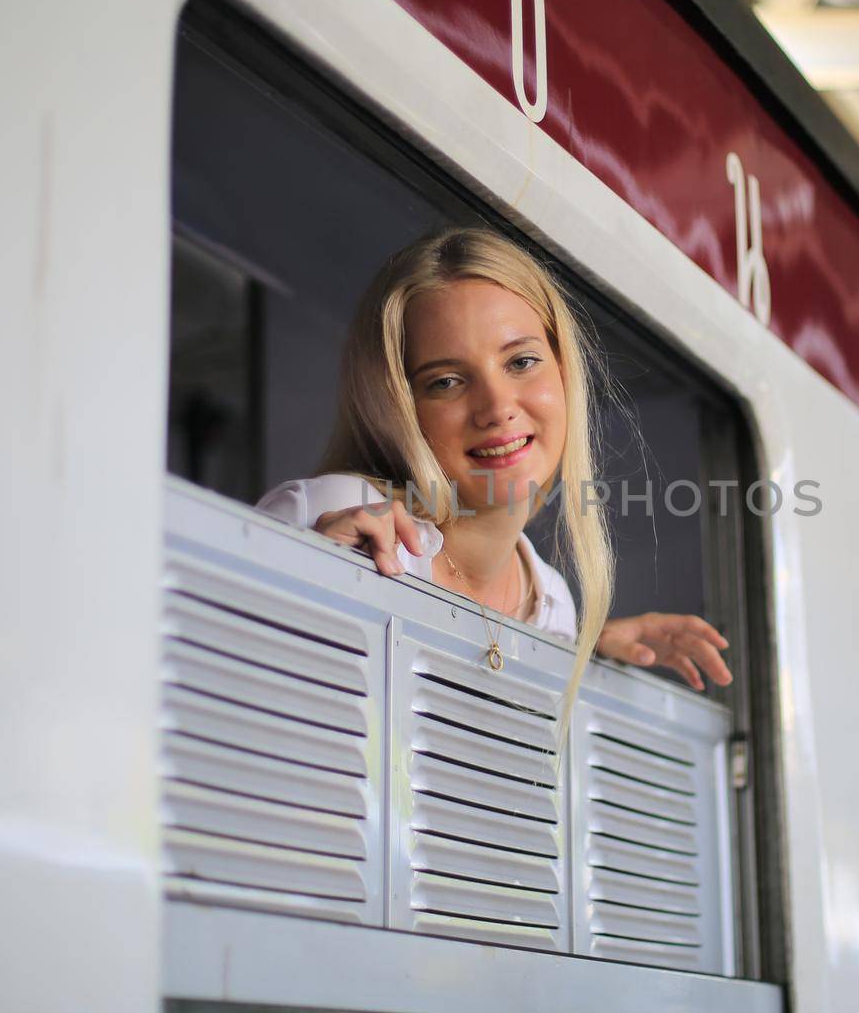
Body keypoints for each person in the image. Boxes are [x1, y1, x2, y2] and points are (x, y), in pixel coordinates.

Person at [255, 227, 731, 720]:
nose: (498, 407)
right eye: (447, 381)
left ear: (565, 374)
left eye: (521, 361)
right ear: (397, 407)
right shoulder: (331, 510)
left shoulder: (550, 601)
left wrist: (583, 664)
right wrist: (306, 586)